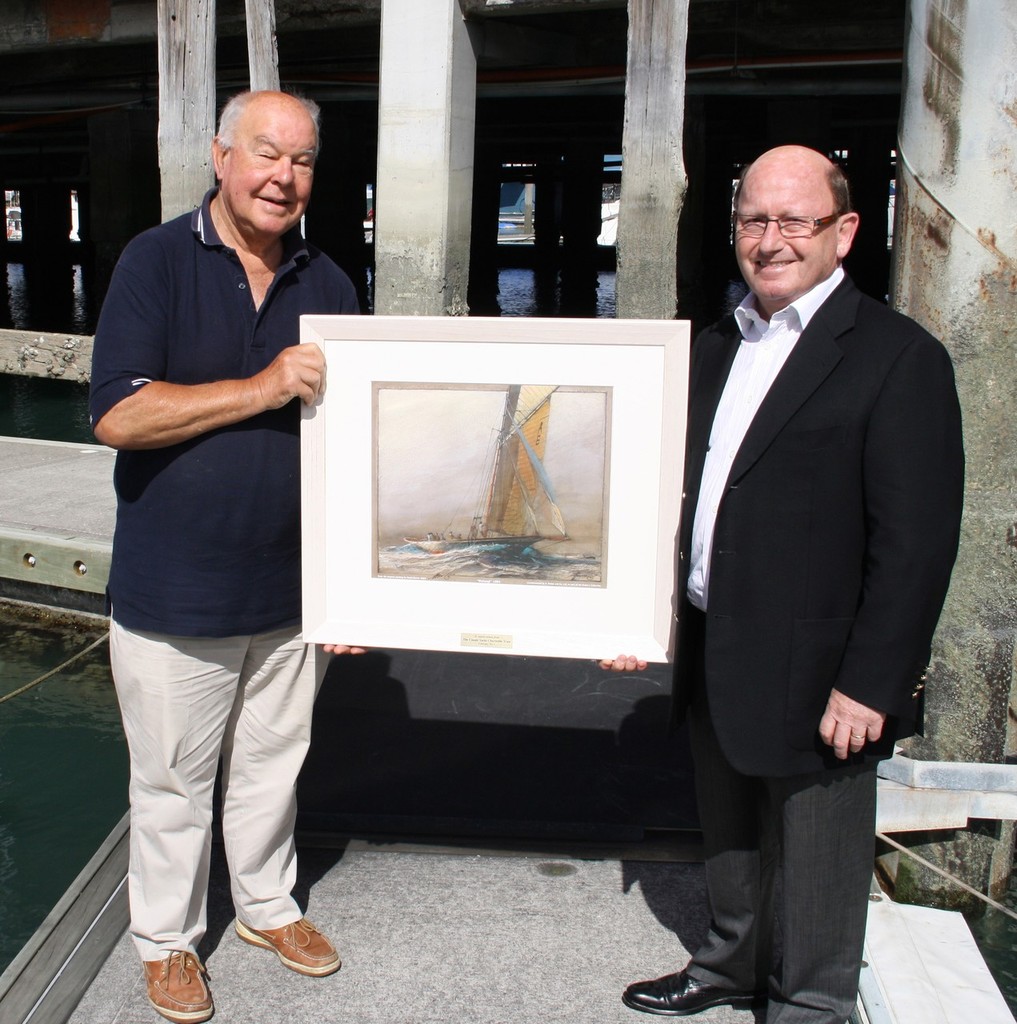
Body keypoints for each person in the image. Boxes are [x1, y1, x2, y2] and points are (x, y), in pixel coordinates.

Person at [603, 145, 964, 1024]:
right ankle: (726, 967)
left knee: (818, 856)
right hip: (713, 642)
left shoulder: (896, 357)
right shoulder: (714, 344)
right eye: (753, 220)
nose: (769, 240)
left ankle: (809, 1003)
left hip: (822, 668)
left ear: (842, 232)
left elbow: (915, 546)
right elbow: (668, 494)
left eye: (792, 221)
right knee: (725, 836)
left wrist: (871, 683)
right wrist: (632, 611)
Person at [89, 90, 362, 1024]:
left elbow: (356, 445)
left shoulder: (330, 280)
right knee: (170, 782)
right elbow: (118, 414)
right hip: (176, 593)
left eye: (302, 161)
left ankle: (266, 907)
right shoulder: (155, 260)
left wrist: (357, 589)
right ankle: (166, 941)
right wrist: (260, 387)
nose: (283, 177)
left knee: (274, 768)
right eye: (265, 154)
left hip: (291, 594)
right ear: (221, 156)